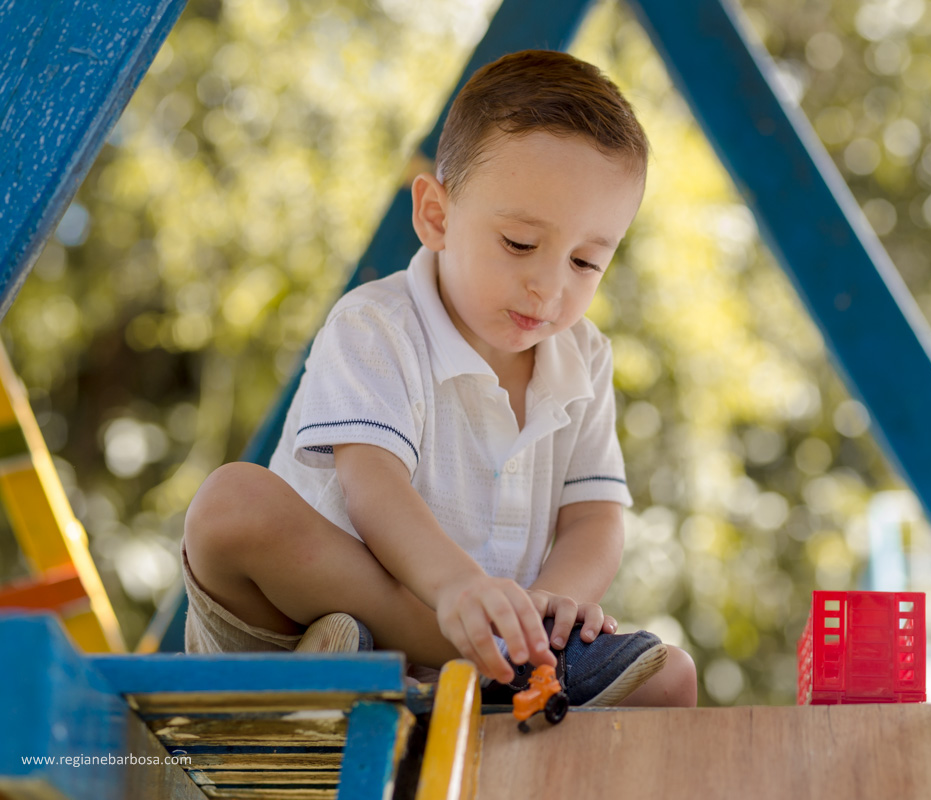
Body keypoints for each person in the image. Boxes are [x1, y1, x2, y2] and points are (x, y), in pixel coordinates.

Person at [181, 49, 697, 708]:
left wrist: (551, 605)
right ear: (437, 217)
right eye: (519, 244)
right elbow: (374, 486)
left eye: (585, 262)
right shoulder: (377, 323)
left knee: (672, 678)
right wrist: (456, 588)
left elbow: (594, 517)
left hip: (458, 673)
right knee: (230, 503)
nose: (549, 286)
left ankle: (507, 661)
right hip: (293, 628)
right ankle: (488, 661)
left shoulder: (585, 357)